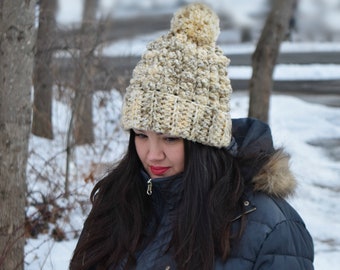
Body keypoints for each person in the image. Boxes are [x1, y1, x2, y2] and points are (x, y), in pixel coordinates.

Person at [70, 3, 314, 270]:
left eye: (170, 138)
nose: (152, 154)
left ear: (205, 141)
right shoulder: (116, 201)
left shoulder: (270, 227)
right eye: (141, 135)